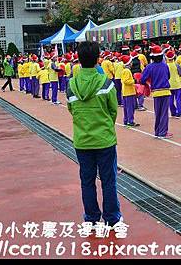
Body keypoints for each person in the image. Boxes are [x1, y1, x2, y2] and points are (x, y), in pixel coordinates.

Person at [66, 41, 122, 228]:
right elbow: (113, 110)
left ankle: (91, 217)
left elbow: (71, 109)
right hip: (105, 140)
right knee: (108, 180)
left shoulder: (72, 85)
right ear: (98, 59)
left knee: (87, 181)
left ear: (79, 60)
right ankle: (112, 218)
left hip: (83, 141)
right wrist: (104, 125)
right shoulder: (106, 83)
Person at [141, 45, 173, 139]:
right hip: (166, 91)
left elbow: (142, 79)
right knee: (164, 113)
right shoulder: (165, 65)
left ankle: (158, 131)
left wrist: (149, 82)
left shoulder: (149, 67)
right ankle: (163, 132)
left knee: (157, 113)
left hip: (156, 92)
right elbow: (168, 76)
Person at [166, 49, 181, 118]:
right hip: (177, 84)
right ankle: (179, 112)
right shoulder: (176, 65)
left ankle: (173, 112)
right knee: (178, 99)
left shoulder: (166, 66)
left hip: (169, 85)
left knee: (170, 99)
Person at [120, 54, 139, 127]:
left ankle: (126, 120)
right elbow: (126, 81)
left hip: (126, 92)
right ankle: (130, 121)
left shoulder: (124, 70)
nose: (132, 63)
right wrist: (134, 81)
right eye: (131, 62)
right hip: (129, 92)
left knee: (126, 107)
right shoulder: (127, 71)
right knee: (130, 107)